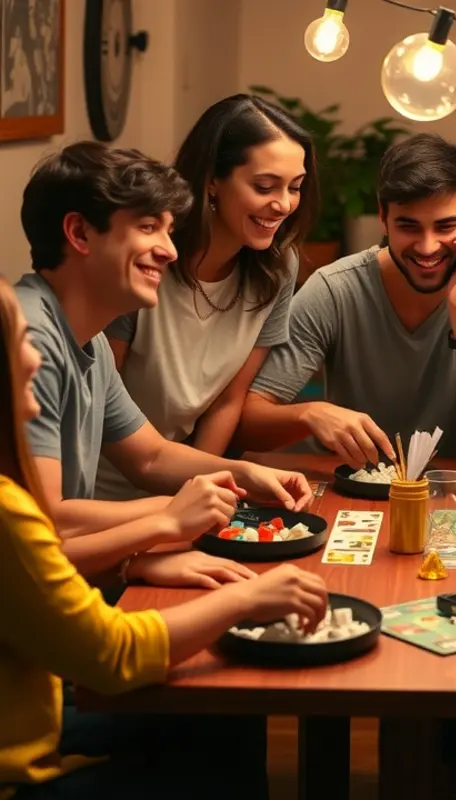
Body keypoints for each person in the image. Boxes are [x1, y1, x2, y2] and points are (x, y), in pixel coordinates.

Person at [0, 272, 330, 799]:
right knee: (222, 738)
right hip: (26, 760)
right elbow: (111, 655)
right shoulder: (8, 505)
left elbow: (146, 459)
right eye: (20, 341)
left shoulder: (87, 343)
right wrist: (245, 597)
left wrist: (135, 561)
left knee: (226, 717)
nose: (36, 358)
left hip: (42, 689)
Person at [14, 141, 312, 585]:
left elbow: (150, 458)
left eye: (169, 231)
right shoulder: (29, 339)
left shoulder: (89, 339)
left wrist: (243, 474)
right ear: (79, 233)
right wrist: (168, 517)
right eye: (149, 227)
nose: (169, 250)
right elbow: (44, 527)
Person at [235, 132, 456, 469]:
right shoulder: (334, 289)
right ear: (382, 216)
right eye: (409, 227)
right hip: (348, 483)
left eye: (445, 226)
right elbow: (246, 424)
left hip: (446, 487)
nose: (427, 247)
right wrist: (309, 414)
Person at [97, 94, 317, 501]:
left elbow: (227, 401)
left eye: (295, 187)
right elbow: (97, 403)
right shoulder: (148, 257)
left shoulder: (277, 268)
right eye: (264, 186)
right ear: (212, 179)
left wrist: (200, 492)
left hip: (182, 484)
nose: (283, 204)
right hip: (100, 490)